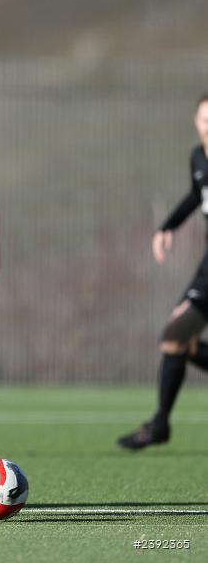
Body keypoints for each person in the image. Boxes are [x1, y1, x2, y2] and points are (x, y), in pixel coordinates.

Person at [118, 94, 208, 450]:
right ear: (196, 122)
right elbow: (196, 194)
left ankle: (159, 424)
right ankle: (159, 424)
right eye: (205, 118)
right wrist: (167, 226)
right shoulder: (198, 157)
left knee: (174, 339)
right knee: (174, 339)